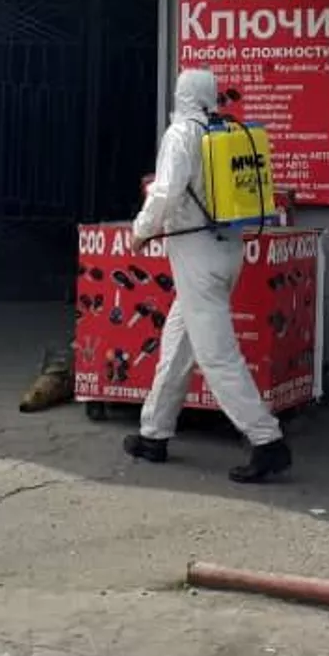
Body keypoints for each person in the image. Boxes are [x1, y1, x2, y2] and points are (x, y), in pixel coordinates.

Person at [122, 69, 292, 484]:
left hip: (197, 256)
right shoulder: (225, 132)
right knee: (177, 343)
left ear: (181, 94)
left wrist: (141, 231)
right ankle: (153, 434)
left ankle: (267, 440)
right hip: (228, 249)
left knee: (217, 355)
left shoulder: (182, 134)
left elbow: (165, 192)